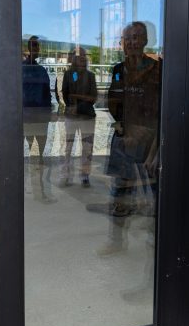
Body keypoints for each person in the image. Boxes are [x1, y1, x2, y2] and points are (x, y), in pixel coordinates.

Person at [87, 21, 161, 256]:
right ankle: (116, 241)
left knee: (155, 192)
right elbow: (113, 102)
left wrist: (143, 131)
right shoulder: (118, 69)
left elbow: (160, 108)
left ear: (146, 40)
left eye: (136, 37)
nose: (131, 42)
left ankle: (157, 243)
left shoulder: (157, 69)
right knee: (119, 191)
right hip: (123, 139)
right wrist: (124, 129)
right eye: (127, 38)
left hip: (149, 143)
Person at [60, 47, 98, 187]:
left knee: (87, 148)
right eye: (78, 55)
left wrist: (76, 98)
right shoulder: (68, 74)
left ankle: (85, 176)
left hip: (87, 116)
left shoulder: (91, 76)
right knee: (68, 147)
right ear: (73, 58)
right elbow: (65, 94)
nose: (81, 57)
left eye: (83, 55)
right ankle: (66, 175)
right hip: (72, 115)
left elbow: (93, 97)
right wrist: (76, 102)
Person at [22, 35, 53, 201]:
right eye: (34, 46)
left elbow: (47, 93)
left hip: (40, 117)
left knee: (40, 155)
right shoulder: (22, 69)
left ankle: (40, 191)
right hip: (27, 116)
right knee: (27, 153)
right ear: (29, 48)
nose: (36, 49)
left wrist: (49, 113)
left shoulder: (41, 70)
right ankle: (29, 190)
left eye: (38, 46)